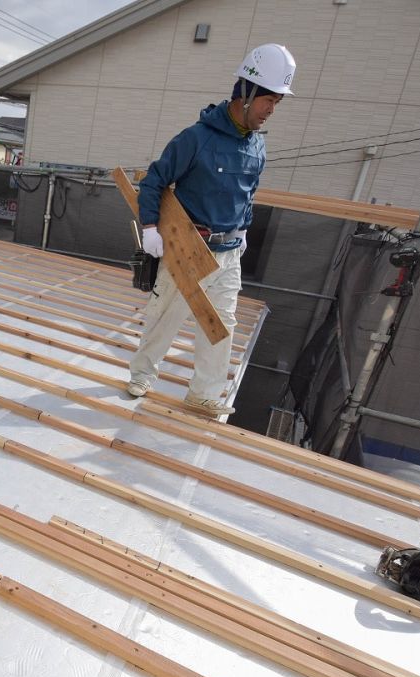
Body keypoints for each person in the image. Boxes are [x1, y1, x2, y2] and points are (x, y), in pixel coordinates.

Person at [126, 43, 295, 417]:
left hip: (229, 251)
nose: (271, 111)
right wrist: (151, 227)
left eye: (277, 104)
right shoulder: (196, 139)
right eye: (269, 100)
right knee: (165, 316)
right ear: (247, 94)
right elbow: (154, 182)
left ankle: (204, 394)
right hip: (188, 247)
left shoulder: (257, 149)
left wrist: (244, 230)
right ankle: (142, 375)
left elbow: (248, 196)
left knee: (221, 326)